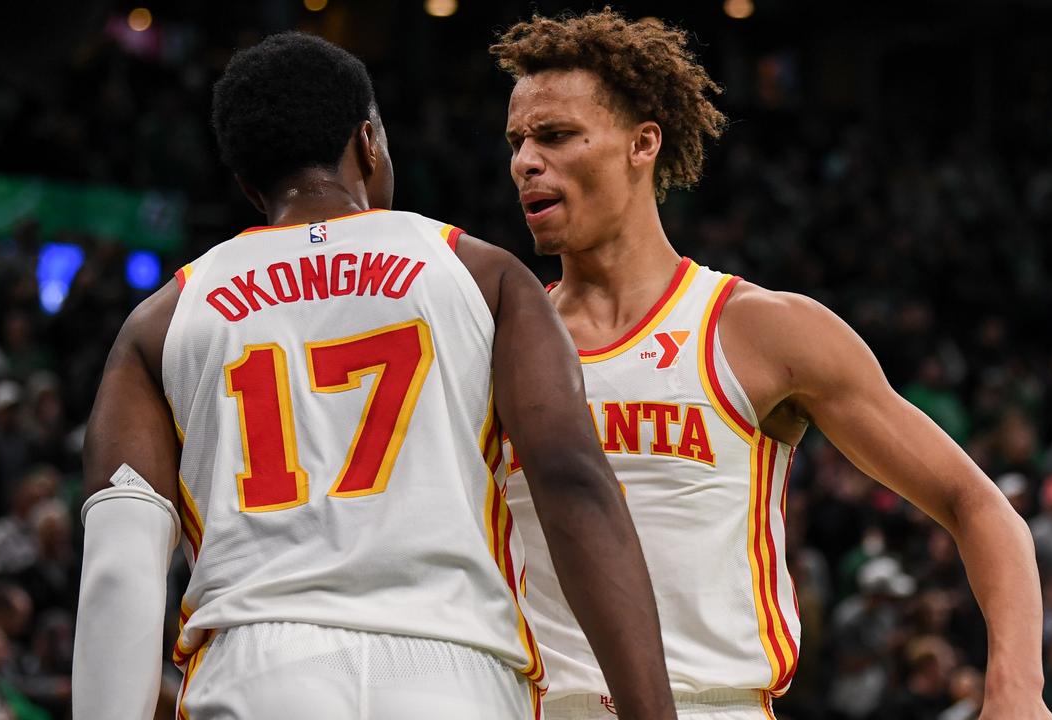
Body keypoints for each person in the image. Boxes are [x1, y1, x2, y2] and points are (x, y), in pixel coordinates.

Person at [71, 30, 675, 720]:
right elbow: (572, 480)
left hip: (257, 670)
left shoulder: (161, 321)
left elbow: (119, 572)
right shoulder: (482, 274)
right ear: (368, 143)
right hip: (454, 669)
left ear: (247, 184)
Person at [490, 9, 1051, 719]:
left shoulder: (759, 330)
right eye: (516, 142)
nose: (524, 162)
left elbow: (978, 505)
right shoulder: (497, 342)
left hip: (713, 704)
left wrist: (1015, 689)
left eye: (555, 135)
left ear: (643, 143)